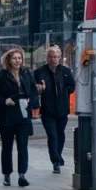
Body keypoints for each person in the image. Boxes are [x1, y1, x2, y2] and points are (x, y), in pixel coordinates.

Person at [0, 48, 40, 187]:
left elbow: (34, 91)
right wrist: (4, 100)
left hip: (23, 113)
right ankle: (7, 174)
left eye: (19, 58)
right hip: (7, 113)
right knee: (7, 146)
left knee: (23, 146)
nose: (17, 61)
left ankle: (22, 175)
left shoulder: (26, 73)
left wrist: (33, 104)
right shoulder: (1, 75)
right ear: (8, 60)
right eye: (14, 58)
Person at [34, 46, 76, 174]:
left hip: (62, 109)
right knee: (52, 135)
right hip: (47, 109)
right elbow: (33, 87)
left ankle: (58, 155)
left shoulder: (65, 71)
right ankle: (56, 161)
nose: (55, 59)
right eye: (52, 57)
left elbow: (72, 86)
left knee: (61, 134)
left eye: (57, 57)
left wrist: (65, 93)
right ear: (47, 58)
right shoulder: (40, 72)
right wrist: (39, 88)